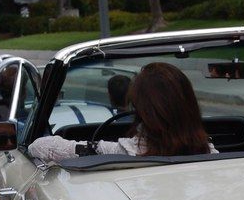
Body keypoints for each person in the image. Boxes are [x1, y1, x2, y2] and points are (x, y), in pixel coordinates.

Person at [29, 62, 217, 161]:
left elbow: (39, 146)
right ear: (190, 106)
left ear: (142, 111)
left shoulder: (122, 153)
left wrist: (90, 147)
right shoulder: (212, 154)